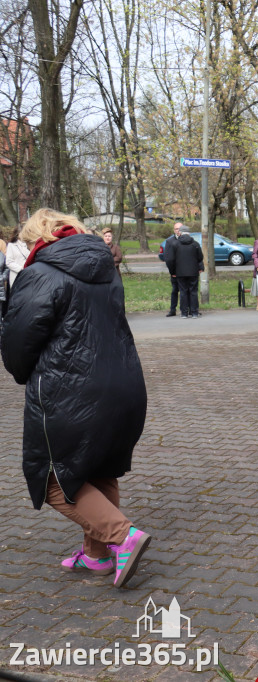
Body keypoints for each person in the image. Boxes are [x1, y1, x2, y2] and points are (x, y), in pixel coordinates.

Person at [1, 208, 151, 589]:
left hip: (71, 391)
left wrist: (21, 369)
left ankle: (123, 536)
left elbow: (18, 345)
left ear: (39, 238)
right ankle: (97, 554)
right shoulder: (105, 268)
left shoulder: (40, 273)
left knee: (50, 476)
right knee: (99, 468)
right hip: (123, 382)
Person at [168, 227, 204, 318]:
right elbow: (200, 257)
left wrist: (173, 271)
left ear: (180, 233)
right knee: (193, 292)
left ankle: (184, 313)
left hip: (180, 272)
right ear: (189, 233)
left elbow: (170, 259)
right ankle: (194, 312)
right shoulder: (195, 244)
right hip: (193, 272)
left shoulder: (175, 244)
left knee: (183, 292)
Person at [164, 222, 183, 316]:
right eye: (176, 229)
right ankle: (172, 309)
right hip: (175, 271)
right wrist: (172, 272)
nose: (178, 231)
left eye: (180, 229)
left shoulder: (187, 240)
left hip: (185, 271)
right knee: (175, 290)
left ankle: (186, 309)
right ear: (174, 230)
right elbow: (168, 258)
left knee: (185, 291)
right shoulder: (169, 241)